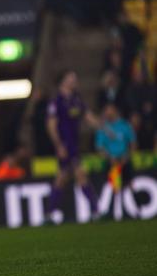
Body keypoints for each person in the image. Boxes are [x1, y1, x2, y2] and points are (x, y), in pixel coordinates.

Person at [46, 70, 101, 223]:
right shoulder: (56, 101)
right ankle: (95, 210)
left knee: (69, 177)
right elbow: (51, 125)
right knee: (67, 177)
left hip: (74, 144)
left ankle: (50, 213)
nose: (74, 80)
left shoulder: (76, 100)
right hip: (64, 144)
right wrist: (58, 145)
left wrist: (105, 128)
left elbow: (88, 116)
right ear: (63, 81)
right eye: (71, 78)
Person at [95, 103, 136, 219]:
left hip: (125, 160)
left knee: (128, 184)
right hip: (112, 161)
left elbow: (133, 143)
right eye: (106, 110)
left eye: (110, 110)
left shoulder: (124, 125)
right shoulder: (103, 128)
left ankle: (135, 209)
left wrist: (126, 156)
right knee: (115, 186)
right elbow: (99, 147)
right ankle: (112, 212)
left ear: (115, 111)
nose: (108, 113)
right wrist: (110, 157)